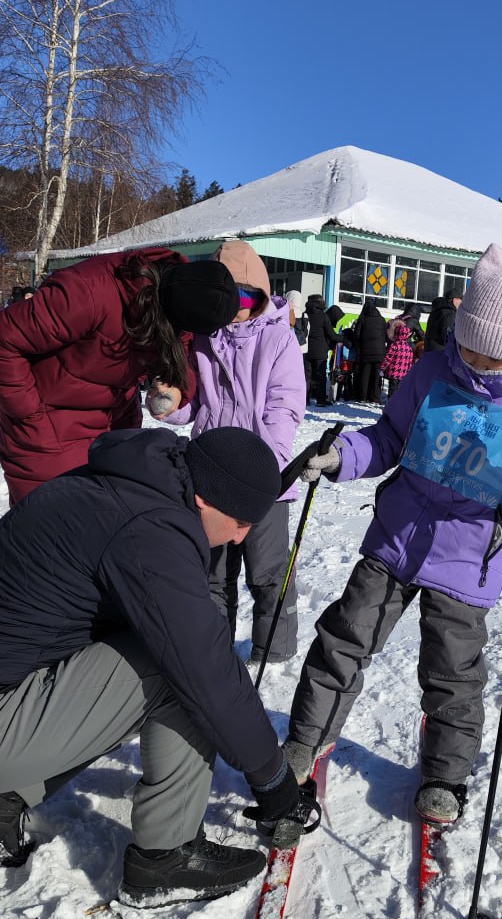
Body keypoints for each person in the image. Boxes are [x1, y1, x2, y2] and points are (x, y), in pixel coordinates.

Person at [281, 244, 502, 825]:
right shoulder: (432, 371)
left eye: (495, 357)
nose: (478, 363)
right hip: (394, 539)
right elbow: (388, 437)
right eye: (469, 346)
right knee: (343, 641)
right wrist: (341, 455)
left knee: (452, 676)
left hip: (468, 563)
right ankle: (304, 740)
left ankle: (445, 774)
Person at [0, 426, 302, 903]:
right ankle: (166, 857)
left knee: (156, 642)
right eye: (242, 521)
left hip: (16, 680)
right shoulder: (147, 529)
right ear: (206, 499)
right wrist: (274, 779)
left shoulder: (137, 483)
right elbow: (204, 670)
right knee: (175, 669)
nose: (243, 536)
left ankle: (9, 794)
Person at [154, 242, 306, 662]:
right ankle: (214, 646)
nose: (237, 306)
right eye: (229, 296)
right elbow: (194, 405)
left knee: (268, 570)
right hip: (210, 474)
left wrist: (265, 468)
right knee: (213, 572)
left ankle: (274, 649)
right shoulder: (203, 339)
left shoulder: (278, 338)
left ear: (260, 295)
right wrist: (170, 402)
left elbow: (285, 407)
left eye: (247, 296)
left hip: (264, 479)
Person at [0, 249, 238, 505]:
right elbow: (6, 339)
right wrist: (28, 415)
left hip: (114, 428)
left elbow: (184, 346)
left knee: (107, 528)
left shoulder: (178, 307)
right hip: (47, 427)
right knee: (50, 530)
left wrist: (176, 386)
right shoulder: (88, 293)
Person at [305, 295, 339, 406]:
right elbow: (332, 335)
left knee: (307, 376)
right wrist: (343, 339)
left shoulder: (305, 314)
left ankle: (305, 399)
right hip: (320, 350)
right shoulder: (323, 316)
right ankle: (320, 400)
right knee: (320, 376)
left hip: (306, 349)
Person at [353, 297, 388, 404]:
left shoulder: (362, 319)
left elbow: (357, 335)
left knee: (365, 375)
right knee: (377, 376)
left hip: (365, 352)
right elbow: (385, 335)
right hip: (379, 352)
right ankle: (375, 398)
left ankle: (363, 397)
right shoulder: (382, 320)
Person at [380, 321, 414, 396]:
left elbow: (388, 358)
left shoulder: (395, 345)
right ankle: (396, 405)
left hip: (394, 372)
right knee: (399, 390)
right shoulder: (409, 347)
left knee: (392, 389)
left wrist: (382, 369)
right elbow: (410, 362)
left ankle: (390, 405)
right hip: (404, 373)